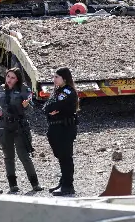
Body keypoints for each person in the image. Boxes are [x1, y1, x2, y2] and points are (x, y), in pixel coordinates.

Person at [0, 68, 42, 194]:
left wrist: (27, 106)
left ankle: (35, 183)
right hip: (4, 126)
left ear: (18, 79)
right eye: (8, 76)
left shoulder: (24, 90)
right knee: (8, 157)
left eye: (13, 77)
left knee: (24, 156)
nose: (9, 79)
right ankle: (12, 185)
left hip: (19, 126)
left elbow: (31, 110)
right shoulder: (1, 89)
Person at [45, 67, 79, 196]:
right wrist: (51, 111)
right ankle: (63, 181)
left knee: (66, 157)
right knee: (61, 157)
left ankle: (68, 186)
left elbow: (57, 106)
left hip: (65, 128)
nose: (54, 79)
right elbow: (46, 107)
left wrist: (53, 109)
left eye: (56, 77)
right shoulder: (56, 92)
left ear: (64, 78)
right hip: (55, 128)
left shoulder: (68, 92)